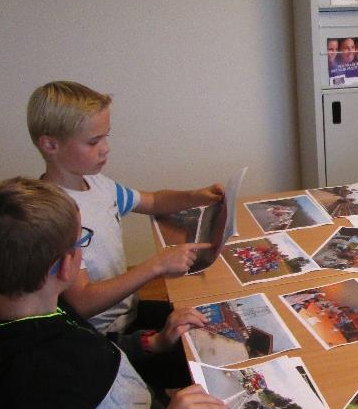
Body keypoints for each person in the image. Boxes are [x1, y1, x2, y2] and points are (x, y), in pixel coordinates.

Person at [0, 177, 228, 409]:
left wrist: (153, 342)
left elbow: (94, 355)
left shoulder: (34, 308)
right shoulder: (32, 381)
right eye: (81, 241)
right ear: (67, 265)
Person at [27, 80, 222, 336]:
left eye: (105, 137)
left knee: (205, 318)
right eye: (93, 142)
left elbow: (152, 201)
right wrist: (156, 266)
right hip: (102, 338)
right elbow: (82, 303)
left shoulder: (97, 183)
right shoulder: (51, 215)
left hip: (129, 311)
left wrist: (195, 196)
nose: (105, 148)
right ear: (50, 145)